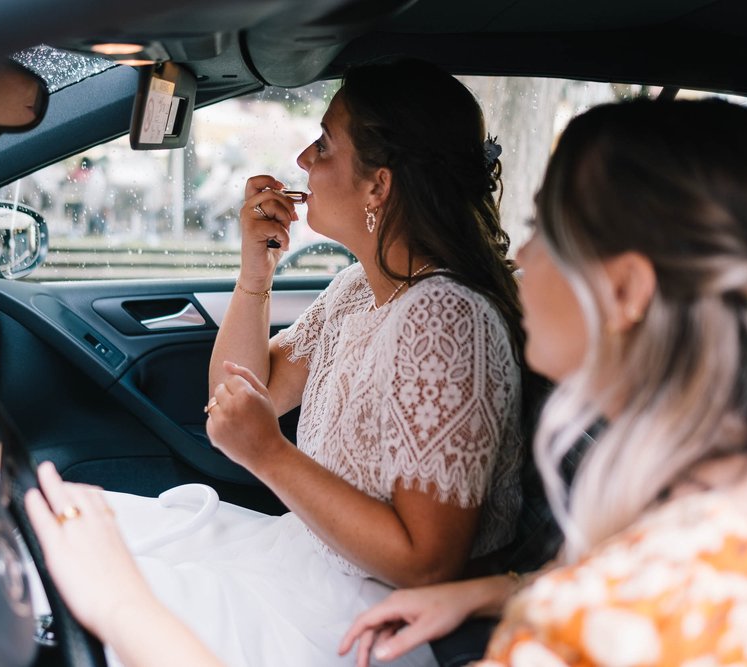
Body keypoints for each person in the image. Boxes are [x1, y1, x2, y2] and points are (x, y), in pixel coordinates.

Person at [27, 58, 528, 667]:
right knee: (69, 541)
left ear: (380, 186)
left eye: (324, 145)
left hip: (354, 617)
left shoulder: (445, 318)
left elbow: (427, 563)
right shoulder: (357, 290)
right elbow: (235, 393)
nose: (302, 162)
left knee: (70, 591)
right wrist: (256, 272)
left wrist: (270, 453)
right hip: (295, 559)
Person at [340, 97, 747, 666]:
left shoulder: (606, 614)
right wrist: (497, 591)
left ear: (624, 291)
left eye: (544, 229)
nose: (521, 254)